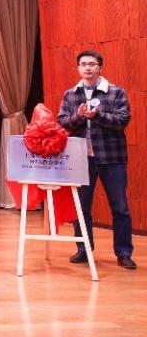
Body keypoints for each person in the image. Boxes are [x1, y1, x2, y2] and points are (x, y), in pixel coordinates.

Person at [57, 50, 135, 269]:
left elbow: (122, 120)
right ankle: (83, 250)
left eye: (92, 64)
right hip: (81, 159)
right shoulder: (70, 95)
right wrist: (80, 116)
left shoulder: (115, 92)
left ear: (100, 67)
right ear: (78, 68)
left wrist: (97, 115)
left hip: (112, 157)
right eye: (83, 64)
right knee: (81, 207)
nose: (88, 68)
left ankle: (123, 252)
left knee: (120, 207)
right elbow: (63, 122)